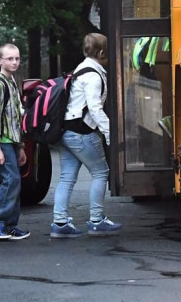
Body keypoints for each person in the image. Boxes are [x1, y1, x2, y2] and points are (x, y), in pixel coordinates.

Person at [51, 33, 121, 237]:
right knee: (100, 172)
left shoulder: (80, 69)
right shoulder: (93, 76)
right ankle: (97, 220)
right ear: (102, 52)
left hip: (65, 131)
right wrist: (110, 132)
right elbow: (95, 108)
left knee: (66, 177)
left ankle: (60, 223)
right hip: (81, 133)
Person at [0, 43, 30, 240]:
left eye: (17, 58)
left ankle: (10, 225)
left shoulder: (11, 81)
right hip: (2, 140)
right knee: (11, 180)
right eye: (10, 59)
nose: (14, 62)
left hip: (12, 140)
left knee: (15, 181)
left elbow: (15, 118)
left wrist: (21, 146)